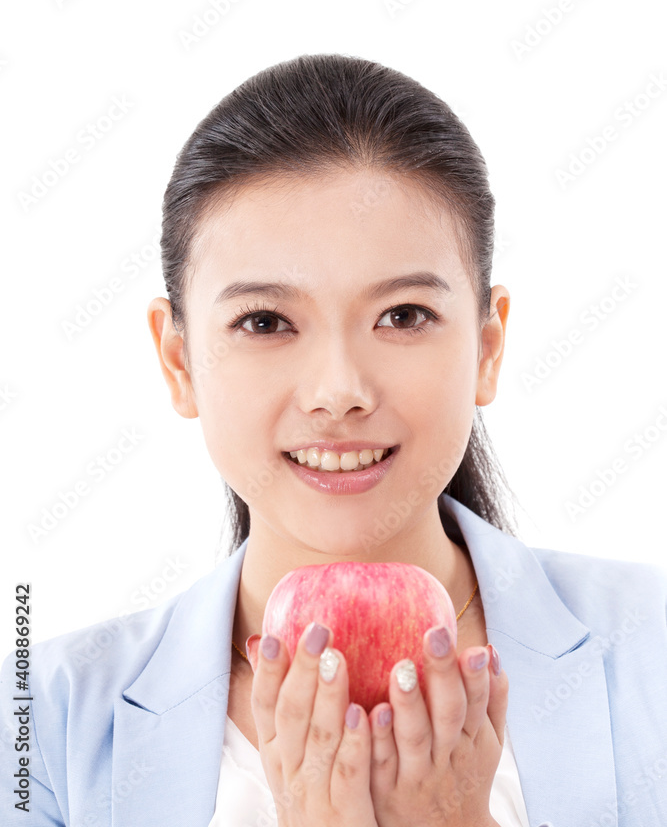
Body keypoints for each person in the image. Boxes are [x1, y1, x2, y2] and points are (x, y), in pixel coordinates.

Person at [2, 54, 666, 827]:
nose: (338, 391)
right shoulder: (38, 725)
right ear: (177, 359)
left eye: (403, 315)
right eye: (264, 322)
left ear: (487, 346)